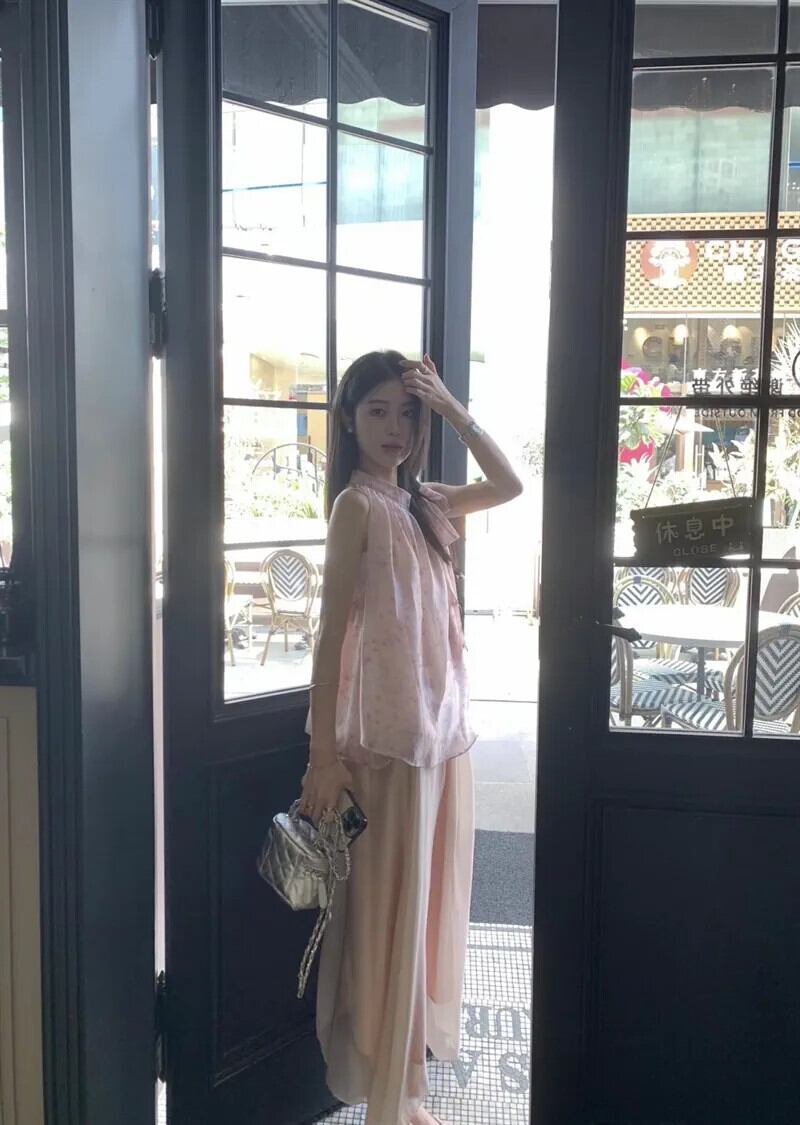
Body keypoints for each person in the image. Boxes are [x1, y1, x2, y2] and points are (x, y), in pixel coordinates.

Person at [299, 349, 523, 1125]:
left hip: (439, 738)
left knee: (421, 919)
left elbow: (510, 483)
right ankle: (388, 1100)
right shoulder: (355, 508)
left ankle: (407, 1087)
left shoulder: (426, 502)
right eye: (377, 411)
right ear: (349, 419)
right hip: (383, 745)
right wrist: (322, 756)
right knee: (386, 924)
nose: (394, 427)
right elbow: (329, 635)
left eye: (407, 412)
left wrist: (453, 406)